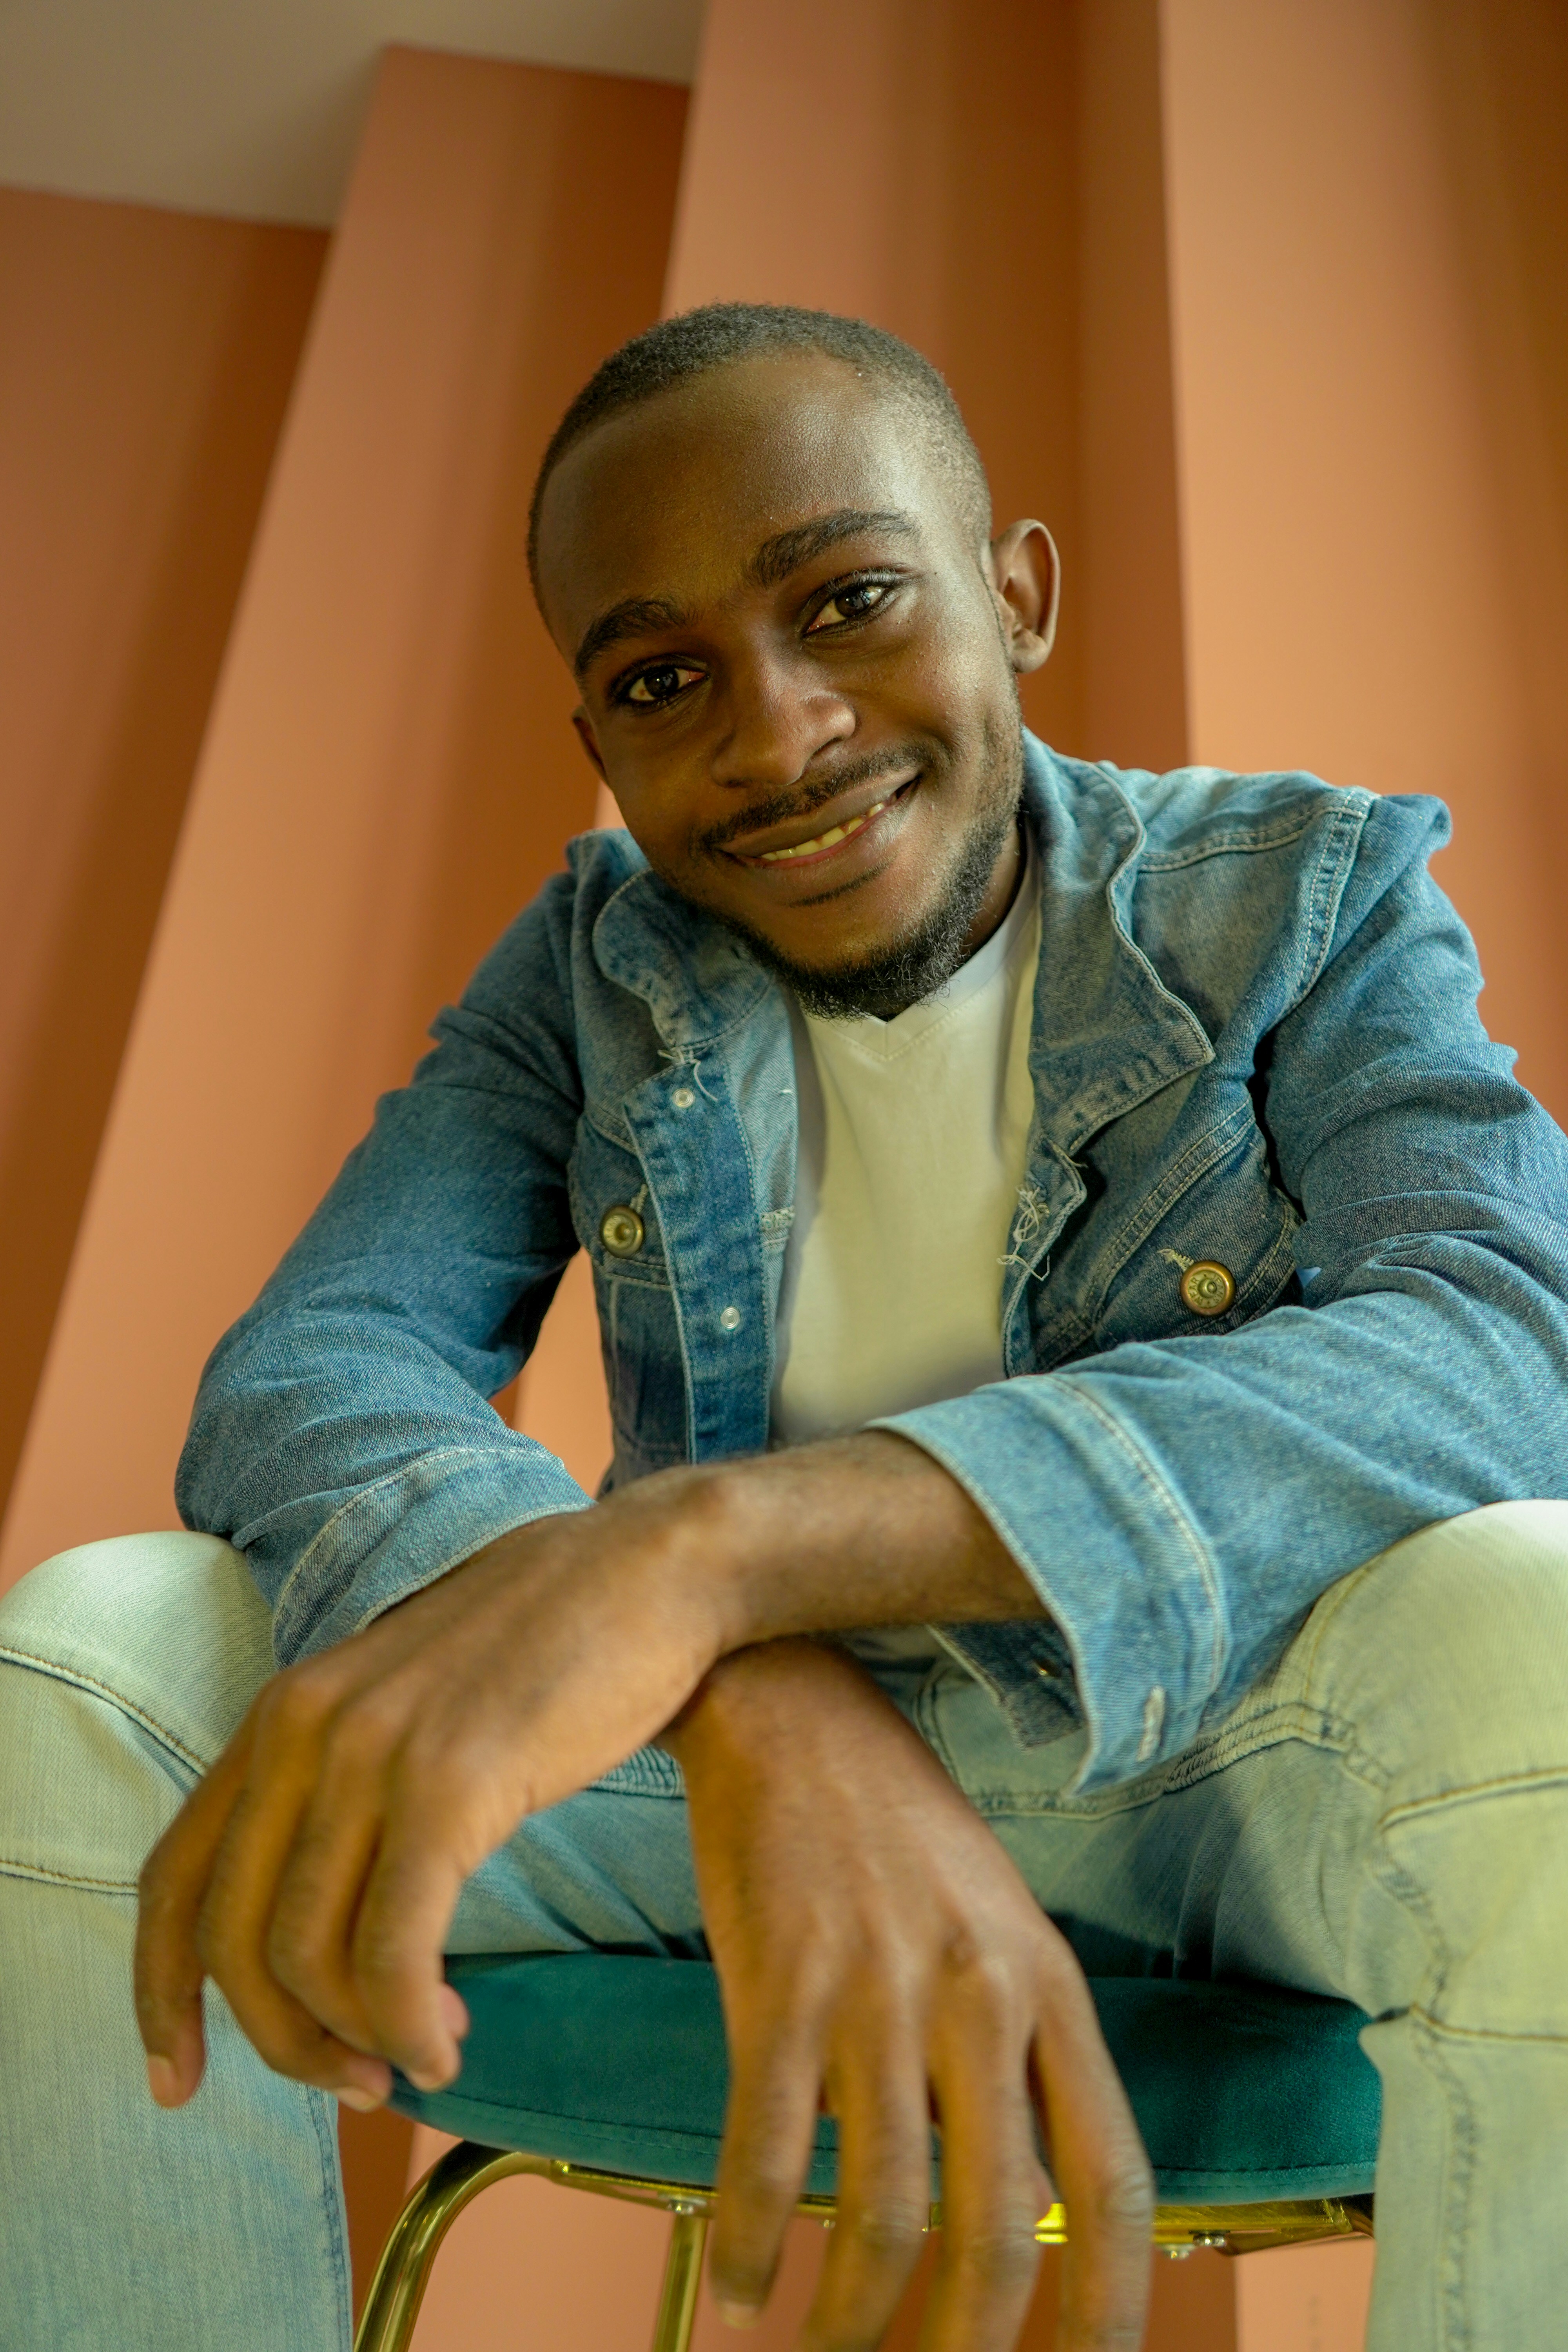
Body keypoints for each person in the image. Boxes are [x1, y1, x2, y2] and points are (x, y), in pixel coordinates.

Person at [4, 302, 1568, 2352]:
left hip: (1213, 1770)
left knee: (1545, 1617)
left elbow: (1501, 1344)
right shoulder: (589, 969)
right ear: (601, 742)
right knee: (100, 1656)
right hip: (687, 1789)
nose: (776, 731)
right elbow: (316, 1372)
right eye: (664, 678)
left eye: (849, 599)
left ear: (1015, 597)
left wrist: (711, 1548)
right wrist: (736, 1684)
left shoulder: (1298, 899)